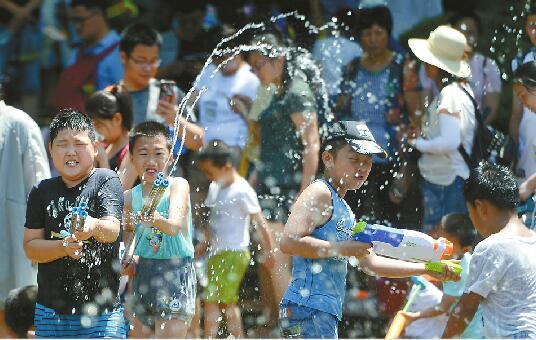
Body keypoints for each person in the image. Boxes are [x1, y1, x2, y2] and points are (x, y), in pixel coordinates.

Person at [278, 120, 460, 338]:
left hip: (321, 311)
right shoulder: (319, 191)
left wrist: (426, 268)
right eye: (354, 159)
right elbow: (288, 242)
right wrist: (343, 249)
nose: (362, 168)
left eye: (367, 162)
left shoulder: (344, 208)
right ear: (328, 158)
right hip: (308, 307)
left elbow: (371, 264)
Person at [23, 109, 127, 338]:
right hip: (51, 312)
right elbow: (31, 247)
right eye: (62, 144)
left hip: (103, 313)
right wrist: (63, 248)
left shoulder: (105, 180)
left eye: (79, 144)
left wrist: (91, 226)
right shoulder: (42, 191)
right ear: (50, 149)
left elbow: (112, 229)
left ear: (94, 146)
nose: (71, 151)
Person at [247, 32, 320, 322]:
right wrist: (252, 181)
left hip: (289, 186)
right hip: (267, 182)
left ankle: (294, 325)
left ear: (278, 59)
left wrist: (305, 195)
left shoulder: (296, 91)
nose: (255, 72)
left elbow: (312, 144)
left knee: (277, 256)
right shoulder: (273, 91)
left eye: (258, 64)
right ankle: (278, 320)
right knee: (270, 257)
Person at [337, 5, 421, 225]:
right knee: (352, 223)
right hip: (355, 160)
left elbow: (416, 119)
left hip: (391, 160)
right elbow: (342, 115)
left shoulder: (403, 67)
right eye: (367, 34)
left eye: (378, 33)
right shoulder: (352, 69)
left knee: (389, 226)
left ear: (388, 34)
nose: (373, 39)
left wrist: (407, 168)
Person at [442, 162, 536, 338]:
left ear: (481, 207)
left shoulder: (491, 248)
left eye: (470, 213)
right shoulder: (532, 240)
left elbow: (464, 312)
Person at [121, 121, 196, 338]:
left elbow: (174, 226)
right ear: (132, 158)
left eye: (158, 153)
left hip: (175, 271)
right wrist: (129, 255)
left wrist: (155, 218)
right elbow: (129, 234)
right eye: (143, 153)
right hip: (143, 273)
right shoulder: (129, 198)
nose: (151, 160)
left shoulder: (177, 185)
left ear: (170, 157)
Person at [196, 140, 275, 338]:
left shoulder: (242, 190)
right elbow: (211, 219)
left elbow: (260, 222)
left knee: (222, 300)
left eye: (210, 172)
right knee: (216, 300)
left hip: (235, 253)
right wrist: (205, 243)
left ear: (227, 167)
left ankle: (228, 337)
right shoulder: (215, 187)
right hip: (216, 252)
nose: (208, 177)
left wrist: (269, 250)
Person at [117, 22, 204, 188]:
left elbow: (198, 142)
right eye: (141, 60)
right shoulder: (112, 97)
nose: (148, 68)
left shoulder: (169, 94)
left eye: (154, 60)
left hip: (167, 192)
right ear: (123, 57)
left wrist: (174, 118)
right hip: (124, 192)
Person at [407, 25, 476, 232]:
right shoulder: (460, 90)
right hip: (447, 180)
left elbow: (450, 142)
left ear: (435, 66)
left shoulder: (450, 95)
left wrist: (417, 144)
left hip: (448, 182)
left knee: (443, 247)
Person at [0, 97, 50, 337]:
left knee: (19, 322)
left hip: (15, 244)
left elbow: (40, 193)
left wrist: (40, 248)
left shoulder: (19, 123)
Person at [400, 213, 484, 339]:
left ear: (464, 249)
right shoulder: (464, 259)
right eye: (439, 238)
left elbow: (442, 308)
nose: (440, 245)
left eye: (448, 246)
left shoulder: (457, 272)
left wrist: (414, 316)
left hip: (469, 333)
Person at [419, 11, 502, 125]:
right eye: (460, 33)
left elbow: (490, 109)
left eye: (471, 33)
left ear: (478, 36)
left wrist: (474, 133)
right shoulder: (433, 63)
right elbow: (425, 102)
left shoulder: (487, 66)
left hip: (475, 132)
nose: (465, 38)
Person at [50, 0, 123, 112]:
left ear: (98, 15)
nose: (76, 27)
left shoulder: (121, 52)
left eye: (80, 20)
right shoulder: (76, 52)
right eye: (73, 21)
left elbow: (127, 102)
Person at [510, 5, 536, 186]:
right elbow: (516, 113)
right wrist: (512, 148)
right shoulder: (521, 61)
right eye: (531, 24)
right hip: (528, 140)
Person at [85, 85, 133, 173]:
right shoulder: (104, 146)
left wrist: (103, 160)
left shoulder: (132, 150)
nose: (95, 131)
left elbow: (118, 187)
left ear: (117, 119)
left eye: (98, 125)